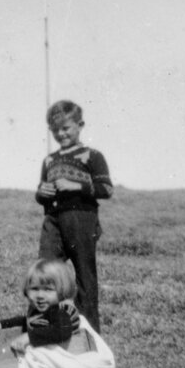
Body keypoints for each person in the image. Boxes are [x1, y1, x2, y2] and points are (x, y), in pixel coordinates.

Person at [35, 100, 113, 331]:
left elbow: (106, 189)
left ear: (80, 125)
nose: (61, 134)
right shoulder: (49, 160)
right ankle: (49, 325)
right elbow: (42, 194)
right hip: (53, 221)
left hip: (82, 220)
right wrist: (41, 193)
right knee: (46, 270)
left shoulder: (92, 156)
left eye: (66, 128)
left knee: (84, 277)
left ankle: (89, 332)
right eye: (55, 130)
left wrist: (76, 186)